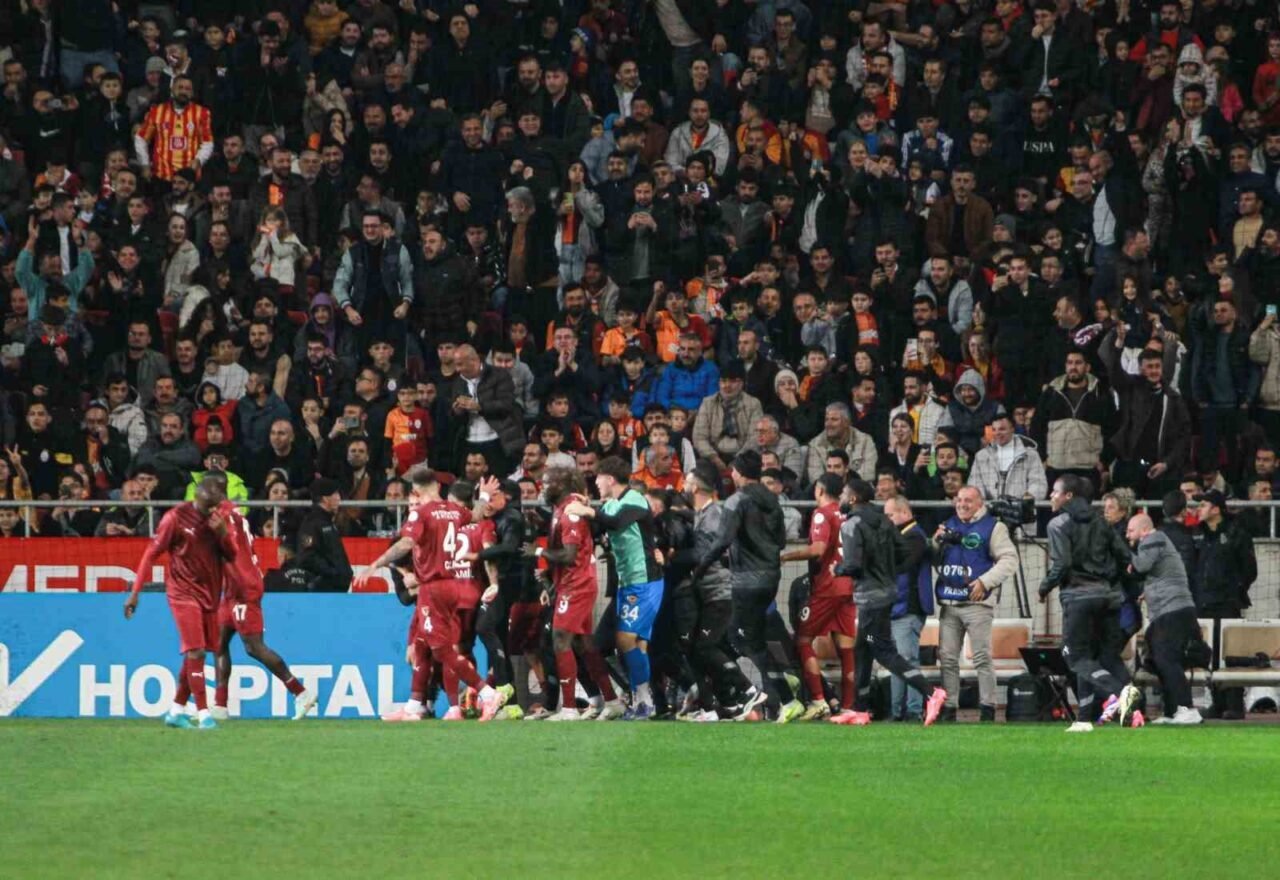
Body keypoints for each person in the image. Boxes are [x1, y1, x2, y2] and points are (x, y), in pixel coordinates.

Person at [357, 467, 507, 721]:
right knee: (422, 644)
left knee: (441, 650)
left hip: (433, 587)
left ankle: (487, 693)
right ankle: (415, 704)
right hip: (452, 585)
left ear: (416, 492)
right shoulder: (453, 510)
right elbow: (476, 515)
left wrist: (376, 563)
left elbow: (406, 543)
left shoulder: (422, 513)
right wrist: (482, 496)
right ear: (438, 487)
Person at [690, 449, 801, 722]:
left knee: (741, 638)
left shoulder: (736, 500)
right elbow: (781, 542)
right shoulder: (773, 500)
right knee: (754, 637)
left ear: (739, 473)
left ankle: (783, 695)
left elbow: (722, 540)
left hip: (746, 581)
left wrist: (700, 569)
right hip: (771, 578)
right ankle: (778, 681)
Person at [205, 472, 317, 722]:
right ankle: (220, 705)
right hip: (232, 586)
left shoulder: (224, 518)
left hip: (243, 585)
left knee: (254, 647)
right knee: (218, 642)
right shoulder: (231, 513)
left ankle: (301, 692)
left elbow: (229, 548)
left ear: (214, 489)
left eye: (203, 488)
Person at [123, 475, 232, 730]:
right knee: (196, 651)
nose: (214, 504)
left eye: (218, 498)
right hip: (182, 593)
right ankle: (204, 715)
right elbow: (151, 554)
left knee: (197, 653)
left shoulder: (219, 519)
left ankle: (175, 711)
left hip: (209, 595)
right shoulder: (175, 518)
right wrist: (135, 593)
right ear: (198, 494)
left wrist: (222, 533)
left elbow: (231, 554)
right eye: (210, 498)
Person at [838, 478, 948, 727]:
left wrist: (838, 568)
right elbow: (903, 552)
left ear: (853, 498)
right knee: (863, 648)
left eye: (844, 494)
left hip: (870, 598)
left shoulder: (852, 524)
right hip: (885, 595)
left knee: (884, 651)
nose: (841, 498)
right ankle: (860, 709)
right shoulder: (884, 522)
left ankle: (930, 692)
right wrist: (885, 570)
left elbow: (853, 565)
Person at [1038, 474, 1142, 732]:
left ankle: (1121, 691)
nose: (1051, 496)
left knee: (1074, 657)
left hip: (1079, 598)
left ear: (1068, 496)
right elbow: (1124, 556)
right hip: (1109, 598)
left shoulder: (1058, 524)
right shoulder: (1102, 522)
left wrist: (1044, 587)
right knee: (1096, 657)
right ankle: (1084, 719)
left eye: (1055, 491)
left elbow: (1062, 563)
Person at [565, 455, 665, 719]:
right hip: (627, 583)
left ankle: (645, 698)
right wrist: (588, 510)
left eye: (598, 478)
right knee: (636, 643)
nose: (596, 483)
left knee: (625, 639)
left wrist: (588, 511)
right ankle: (643, 700)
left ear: (609, 479)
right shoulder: (611, 504)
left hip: (645, 581)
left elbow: (619, 521)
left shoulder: (635, 499)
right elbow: (601, 526)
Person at [520, 467, 620, 721]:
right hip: (570, 583)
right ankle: (608, 700)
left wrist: (538, 552)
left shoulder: (571, 512)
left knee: (560, 640)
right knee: (583, 644)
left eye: (547, 482)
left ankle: (569, 708)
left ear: (562, 483)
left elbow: (569, 554)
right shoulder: (561, 508)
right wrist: (551, 575)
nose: (542, 487)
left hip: (577, 585)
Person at [675, 465, 765, 721]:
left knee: (705, 646)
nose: (683, 486)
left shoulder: (712, 516)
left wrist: (673, 556)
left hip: (720, 592)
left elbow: (702, 554)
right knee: (702, 648)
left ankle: (748, 690)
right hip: (710, 593)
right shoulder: (703, 513)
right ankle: (728, 702)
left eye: (687, 482)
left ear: (695, 487)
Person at [928, 486, 1018, 722]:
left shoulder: (993, 527)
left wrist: (985, 582)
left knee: (981, 657)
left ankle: (988, 707)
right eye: (959, 500)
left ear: (980, 503)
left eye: (968, 500)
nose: (962, 504)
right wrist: (936, 541)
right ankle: (949, 707)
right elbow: (933, 557)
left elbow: (1010, 559)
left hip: (977, 604)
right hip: (949, 602)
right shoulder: (948, 524)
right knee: (947, 657)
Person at [780, 474, 857, 722]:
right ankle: (847, 706)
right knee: (846, 649)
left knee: (802, 639)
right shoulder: (846, 514)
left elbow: (818, 549)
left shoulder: (822, 513)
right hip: (848, 587)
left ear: (820, 490)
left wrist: (785, 556)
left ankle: (818, 700)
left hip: (828, 587)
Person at [1125, 513, 1203, 725]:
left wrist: (1127, 557)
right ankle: (1172, 711)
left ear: (1144, 529)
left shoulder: (1153, 539)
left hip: (1173, 610)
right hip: (1172, 611)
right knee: (1158, 659)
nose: (1127, 535)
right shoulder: (1158, 542)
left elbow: (1141, 566)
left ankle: (1187, 708)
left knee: (1166, 660)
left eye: (1130, 530)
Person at [1191, 489, 1257, 720]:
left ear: (1216, 509)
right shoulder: (1197, 535)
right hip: (1202, 603)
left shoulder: (1237, 533)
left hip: (1226, 603)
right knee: (1208, 653)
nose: (1198, 509)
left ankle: (1235, 705)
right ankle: (1217, 703)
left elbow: (1249, 570)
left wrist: (1234, 590)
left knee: (1229, 653)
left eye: (1203, 505)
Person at [884, 495, 933, 722]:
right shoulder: (905, 536)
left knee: (907, 660)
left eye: (890, 515)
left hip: (908, 610)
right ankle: (897, 711)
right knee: (898, 662)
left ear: (904, 513)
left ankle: (912, 710)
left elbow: (900, 567)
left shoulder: (914, 537)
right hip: (897, 610)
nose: (886, 520)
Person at [293, 478, 354, 593]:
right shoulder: (312, 523)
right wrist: (333, 573)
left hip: (335, 590)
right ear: (325, 498)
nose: (339, 498)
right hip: (323, 592)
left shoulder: (327, 522)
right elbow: (307, 557)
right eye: (335, 494)